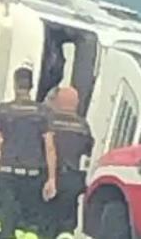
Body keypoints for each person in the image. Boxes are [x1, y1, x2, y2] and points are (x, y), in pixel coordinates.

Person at [0, 66, 56, 239]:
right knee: (26, 224)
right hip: (32, 176)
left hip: (7, 172)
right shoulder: (43, 112)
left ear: (15, 85)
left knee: (1, 218)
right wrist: (51, 178)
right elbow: (50, 146)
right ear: (31, 86)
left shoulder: (4, 110)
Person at [42, 87, 95, 239]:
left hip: (46, 176)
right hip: (72, 180)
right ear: (75, 103)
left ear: (57, 101)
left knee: (42, 220)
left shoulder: (48, 122)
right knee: (66, 225)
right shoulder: (83, 126)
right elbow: (88, 150)